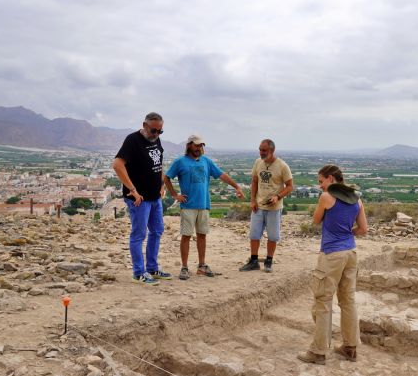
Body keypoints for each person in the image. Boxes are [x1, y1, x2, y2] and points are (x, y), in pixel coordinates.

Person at [297, 164, 368, 365]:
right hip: (351, 252)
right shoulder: (357, 198)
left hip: (332, 254)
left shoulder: (327, 197)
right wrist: (348, 233)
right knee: (348, 301)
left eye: (321, 181)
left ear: (330, 178)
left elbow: (316, 220)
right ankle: (350, 348)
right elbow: (363, 229)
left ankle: (318, 352)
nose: (320, 186)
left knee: (323, 302)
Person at [164, 134, 245, 280]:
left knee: (202, 235)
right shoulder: (180, 162)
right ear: (189, 145)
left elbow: (222, 175)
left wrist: (236, 186)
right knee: (186, 236)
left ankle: (201, 266)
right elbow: (166, 177)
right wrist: (175, 195)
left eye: (201, 145)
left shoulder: (206, 161)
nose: (199, 148)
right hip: (188, 205)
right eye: (196, 145)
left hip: (204, 204)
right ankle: (184, 267)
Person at [112, 112, 171, 286]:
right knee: (139, 235)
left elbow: (158, 164)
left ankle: (152, 268)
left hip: (155, 197)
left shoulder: (155, 140)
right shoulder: (132, 140)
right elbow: (117, 164)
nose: (156, 135)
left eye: (160, 132)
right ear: (144, 125)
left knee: (157, 231)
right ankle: (138, 273)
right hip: (139, 199)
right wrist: (133, 190)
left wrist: (161, 185)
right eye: (154, 131)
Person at [239, 139, 293, 273]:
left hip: (274, 208)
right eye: (260, 150)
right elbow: (255, 181)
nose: (261, 153)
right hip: (259, 206)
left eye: (264, 150)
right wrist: (252, 200)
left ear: (272, 150)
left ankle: (269, 261)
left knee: (273, 236)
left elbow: (290, 186)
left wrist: (278, 197)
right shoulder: (258, 162)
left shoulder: (282, 166)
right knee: (254, 234)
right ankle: (254, 261)